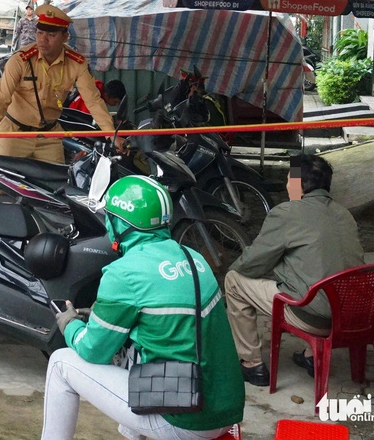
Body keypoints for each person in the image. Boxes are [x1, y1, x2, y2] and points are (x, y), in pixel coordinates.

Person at [42, 176, 244, 440]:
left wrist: (71, 324)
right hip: (225, 408)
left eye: (109, 216)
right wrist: (103, 317)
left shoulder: (123, 273)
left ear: (121, 223)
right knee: (135, 352)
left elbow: (94, 350)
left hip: (184, 419)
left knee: (60, 363)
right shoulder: (193, 258)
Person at [224, 154, 363, 387]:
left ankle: (252, 364)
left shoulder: (287, 213)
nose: (288, 184)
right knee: (320, 277)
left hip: (314, 316)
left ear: (299, 185)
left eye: (290, 179)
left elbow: (251, 264)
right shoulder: (344, 214)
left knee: (234, 281)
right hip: (353, 315)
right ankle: (310, 355)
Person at [0, 3, 122, 164]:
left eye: (51, 35)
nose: (43, 39)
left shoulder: (76, 63)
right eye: (40, 32)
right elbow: (0, 100)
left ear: (65, 37)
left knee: (59, 185)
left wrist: (111, 135)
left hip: (49, 136)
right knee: (4, 185)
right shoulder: (20, 60)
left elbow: (93, 101)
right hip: (14, 133)